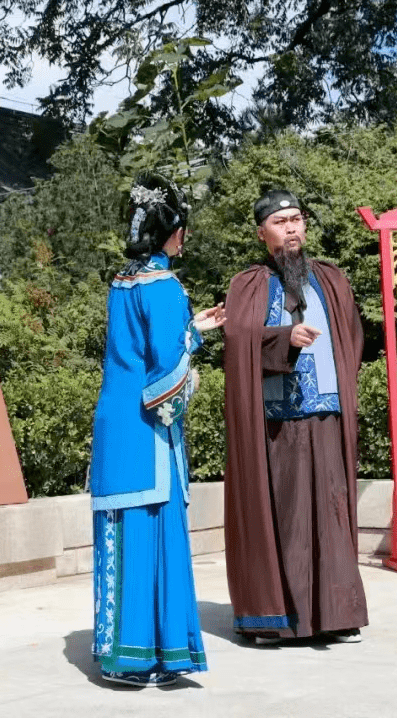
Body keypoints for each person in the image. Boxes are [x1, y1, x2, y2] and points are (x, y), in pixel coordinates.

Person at [89, 173, 225, 687]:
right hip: (148, 437)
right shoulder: (166, 287)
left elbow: (135, 356)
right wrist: (196, 344)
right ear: (176, 233)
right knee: (153, 536)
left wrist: (195, 327)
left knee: (120, 539)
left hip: (114, 428)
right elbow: (165, 377)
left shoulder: (122, 283)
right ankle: (150, 656)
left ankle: (117, 653)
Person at [222, 188, 368, 644]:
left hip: (325, 413)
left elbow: (353, 338)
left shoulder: (331, 279)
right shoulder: (248, 284)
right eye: (280, 222)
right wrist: (284, 339)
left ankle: (336, 616)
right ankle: (279, 619)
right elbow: (239, 337)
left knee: (332, 512)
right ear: (262, 233)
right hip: (277, 421)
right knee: (287, 518)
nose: (292, 228)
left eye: (297, 219)